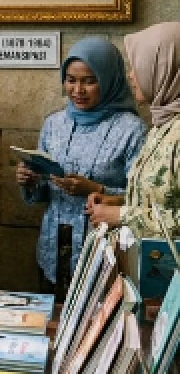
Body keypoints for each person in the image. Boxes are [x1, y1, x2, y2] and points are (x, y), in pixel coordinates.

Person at [18, 37, 145, 289]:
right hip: (53, 251)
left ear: (109, 80)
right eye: (71, 80)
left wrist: (96, 190)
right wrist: (31, 181)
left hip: (104, 255)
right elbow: (42, 194)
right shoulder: (54, 124)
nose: (78, 90)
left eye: (89, 81)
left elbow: (143, 200)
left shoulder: (132, 130)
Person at [87, 22, 180, 233]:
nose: (130, 75)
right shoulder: (162, 126)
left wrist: (122, 215)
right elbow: (163, 202)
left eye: (137, 66)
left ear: (164, 70)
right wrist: (119, 202)